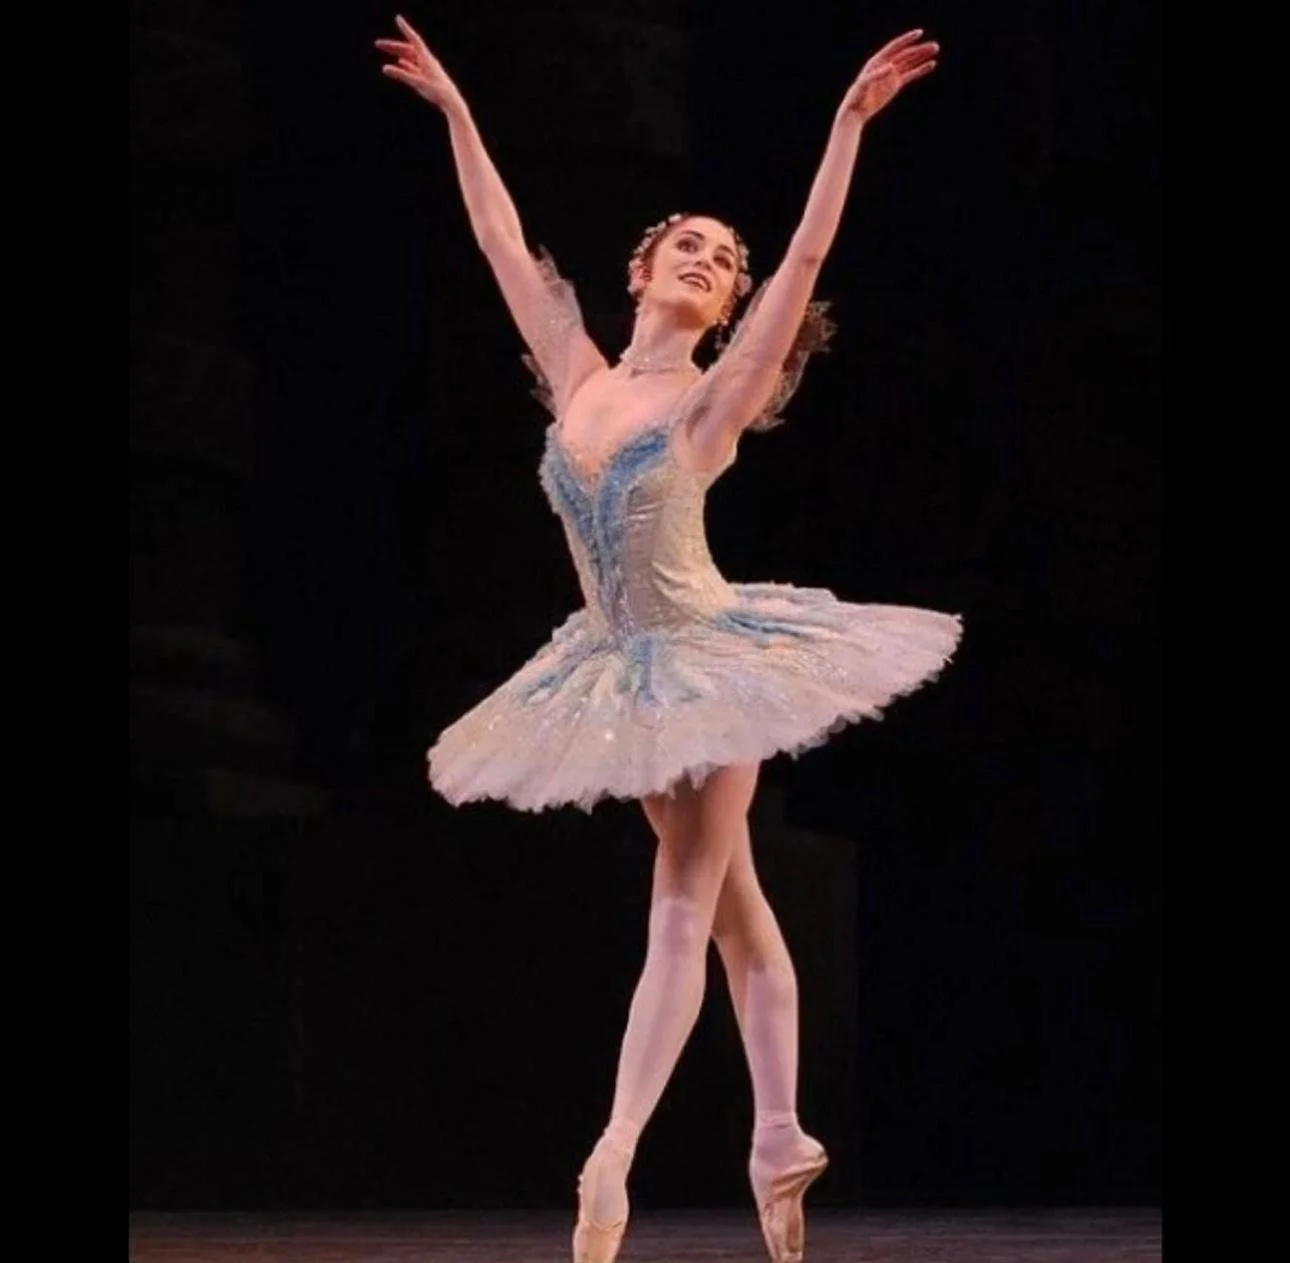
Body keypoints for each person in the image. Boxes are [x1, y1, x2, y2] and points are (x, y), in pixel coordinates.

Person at [377, 14, 957, 1263]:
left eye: (723, 260)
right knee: (741, 906)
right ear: (641, 270)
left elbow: (804, 256)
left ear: (730, 304)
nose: (710, 259)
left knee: (685, 898)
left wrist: (846, 127)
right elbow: (498, 241)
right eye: (688, 244)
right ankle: (778, 1136)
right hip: (614, 665)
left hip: (708, 657)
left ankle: (613, 1156)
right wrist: (461, 112)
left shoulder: (714, 394)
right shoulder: (579, 373)